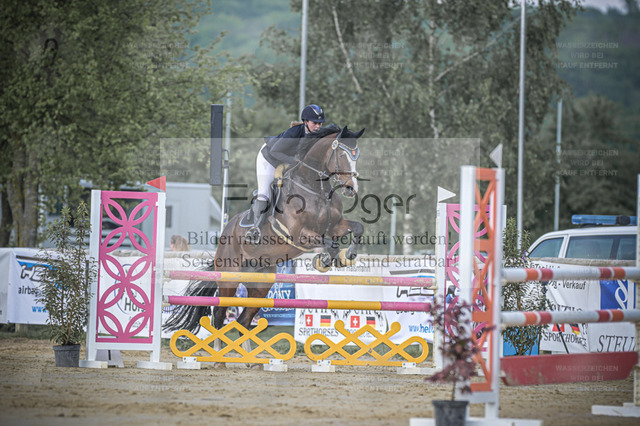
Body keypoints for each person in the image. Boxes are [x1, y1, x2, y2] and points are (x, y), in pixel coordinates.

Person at [246, 104, 326, 242]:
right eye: (315, 123)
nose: (318, 126)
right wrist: (294, 161)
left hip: (288, 160)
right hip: (269, 158)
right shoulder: (294, 133)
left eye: (320, 123)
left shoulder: (317, 135)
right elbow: (275, 151)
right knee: (264, 193)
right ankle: (255, 229)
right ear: (306, 122)